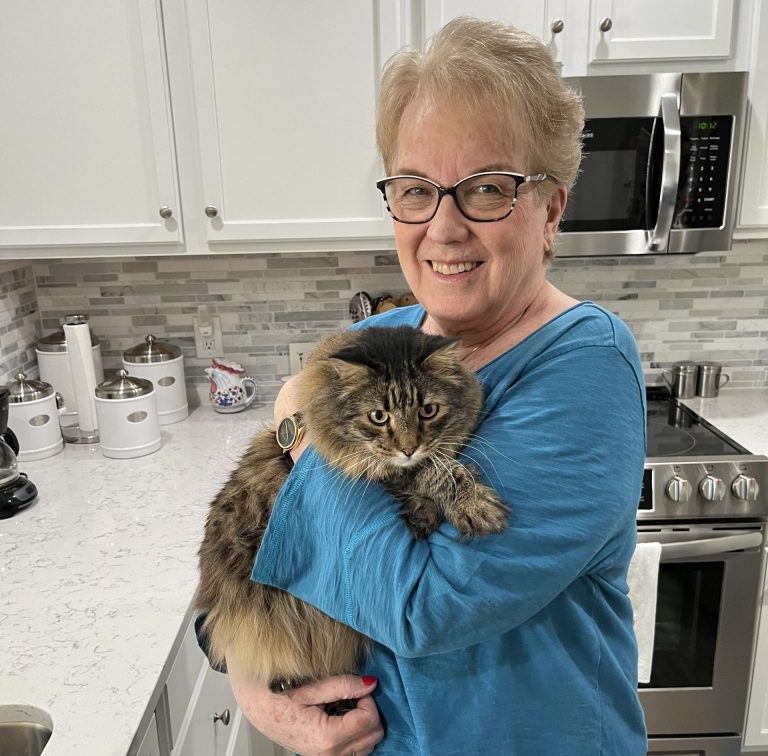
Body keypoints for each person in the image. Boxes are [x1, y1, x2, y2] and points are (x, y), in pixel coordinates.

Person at [223, 16, 647, 755]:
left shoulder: (588, 365)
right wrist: (249, 681)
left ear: (552, 209)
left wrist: (300, 430)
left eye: (487, 188)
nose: (443, 228)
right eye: (417, 190)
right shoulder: (397, 336)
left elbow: (425, 609)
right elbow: (249, 537)